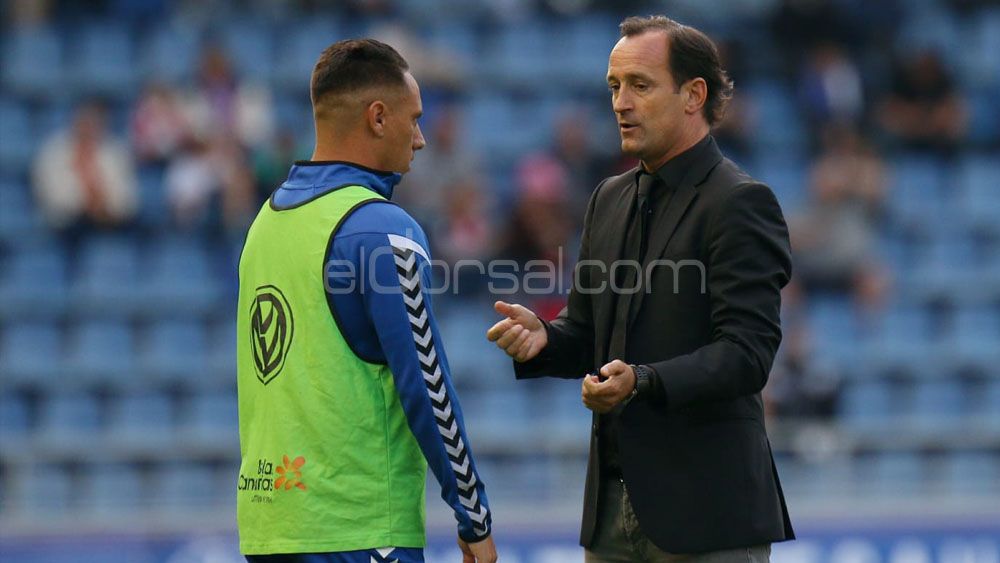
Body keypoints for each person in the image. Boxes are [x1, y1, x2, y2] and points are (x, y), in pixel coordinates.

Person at [488, 16, 794, 561]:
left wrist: (644, 382)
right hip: (609, 515)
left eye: (640, 85)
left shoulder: (740, 203)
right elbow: (587, 336)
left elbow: (748, 353)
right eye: (614, 86)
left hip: (707, 517)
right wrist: (545, 341)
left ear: (693, 95)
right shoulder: (608, 197)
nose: (620, 103)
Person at [236, 39, 497, 563]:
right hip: (357, 528)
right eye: (414, 118)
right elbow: (426, 384)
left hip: (270, 527)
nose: (421, 138)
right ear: (378, 117)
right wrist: (474, 514)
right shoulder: (383, 229)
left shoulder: (264, 225)